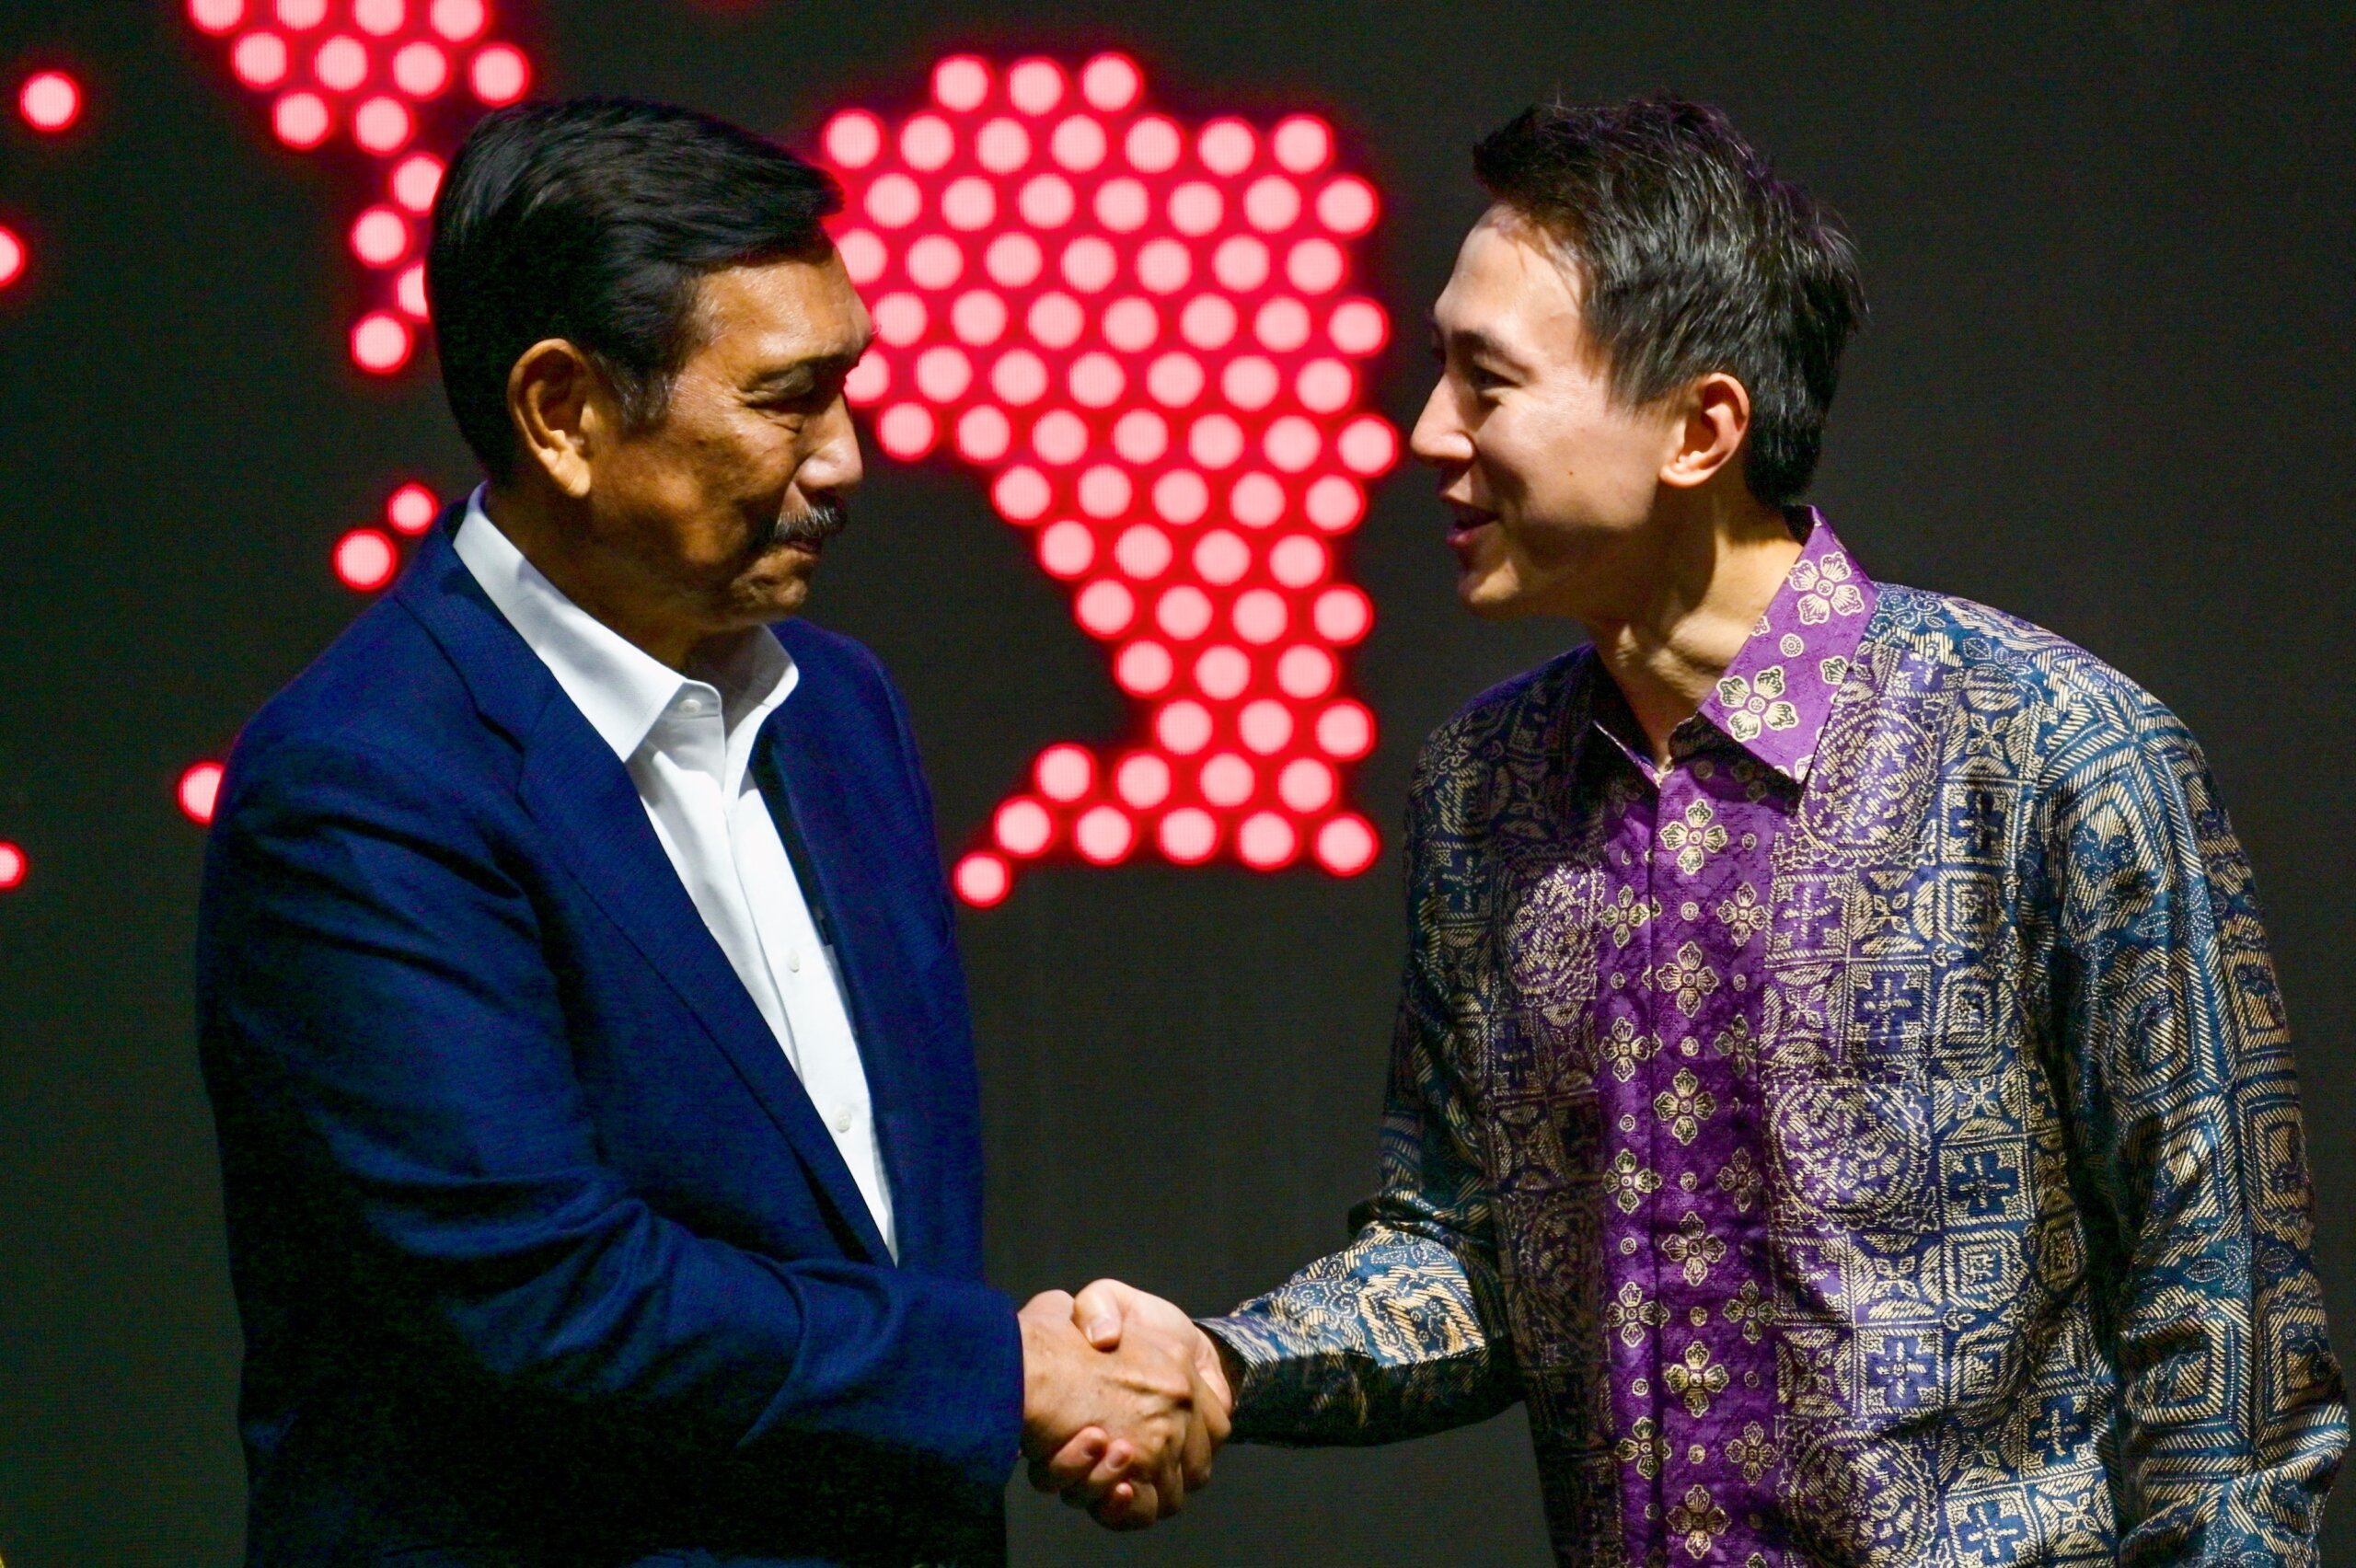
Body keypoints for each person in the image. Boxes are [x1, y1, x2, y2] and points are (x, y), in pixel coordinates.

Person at [1063, 97, 2346, 1562]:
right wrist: (1216, 1365)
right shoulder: (1486, 789)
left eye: (1487, 382)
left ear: (1702, 426)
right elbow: (1474, 1252)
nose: (1427, 434)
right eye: (1440, 372)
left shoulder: (2054, 754)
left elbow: (2228, 1352)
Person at [194, 98, 1224, 1568]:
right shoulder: (363, 786)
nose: (848, 456)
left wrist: (1043, 1381)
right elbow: (543, 1293)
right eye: (787, 397)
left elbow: (870, 1233)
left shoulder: (843, 711)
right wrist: (1012, 1374)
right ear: (562, 412)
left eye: (847, 383)